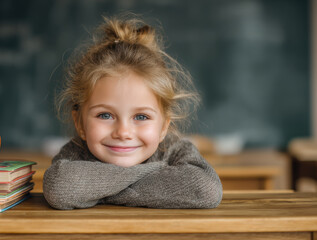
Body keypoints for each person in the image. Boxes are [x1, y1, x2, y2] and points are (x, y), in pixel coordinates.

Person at [43, 15, 223, 210]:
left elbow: (206, 189)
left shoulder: (174, 150)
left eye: (141, 117)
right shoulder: (76, 152)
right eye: (105, 115)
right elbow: (61, 187)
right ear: (79, 122)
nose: (123, 132)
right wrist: (162, 176)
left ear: (164, 127)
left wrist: (98, 191)